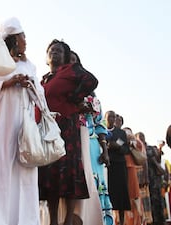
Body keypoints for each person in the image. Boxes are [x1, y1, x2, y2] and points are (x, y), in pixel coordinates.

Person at [0, 17, 41, 225]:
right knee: (0, 168)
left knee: (24, 171)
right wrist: (9, 83)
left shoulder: (29, 65)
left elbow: (40, 96)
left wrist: (30, 84)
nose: (26, 41)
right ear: (14, 39)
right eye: (23, 37)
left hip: (25, 125)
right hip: (2, 123)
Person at [38, 39, 98, 225]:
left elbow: (91, 80)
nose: (54, 53)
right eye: (51, 50)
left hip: (67, 128)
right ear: (47, 57)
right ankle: (54, 220)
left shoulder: (70, 71)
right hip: (48, 129)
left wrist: (75, 97)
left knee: (70, 169)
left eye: (59, 51)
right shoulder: (44, 79)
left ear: (65, 57)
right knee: (51, 172)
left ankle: (68, 220)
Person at [69, 51, 113, 225]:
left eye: (75, 61)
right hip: (72, 143)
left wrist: (105, 149)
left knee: (96, 184)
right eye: (68, 61)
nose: (71, 65)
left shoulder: (92, 95)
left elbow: (100, 124)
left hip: (93, 146)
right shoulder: (61, 90)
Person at [104, 110, 131, 225]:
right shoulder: (102, 130)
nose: (112, 119)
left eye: (113, 117)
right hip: (107, 167)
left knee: (121, 194)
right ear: (105, 118)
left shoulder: (120, 133)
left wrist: (117, 147)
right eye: (109, 117)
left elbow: (126, 150)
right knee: (108, 192)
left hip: (119, 166)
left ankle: (121, 221)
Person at [136, 132, 166, 225]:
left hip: (154, 180)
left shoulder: (150, 148)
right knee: (147, 204)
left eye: (143, 137)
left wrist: (160, 148)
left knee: (158, 201)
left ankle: (160, 221)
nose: (142, 138)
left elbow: (158, 159)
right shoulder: (137, 149)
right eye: (139, 137)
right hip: (143, 181)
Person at [123, 127, 143, 225]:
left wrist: (131, 142)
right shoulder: (120, 138)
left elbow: (140, 147)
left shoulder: (134, 141)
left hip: (131, 168)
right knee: (124, 196)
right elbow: (115, 145)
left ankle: (137, 221)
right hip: (121, 169)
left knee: (134, 195)